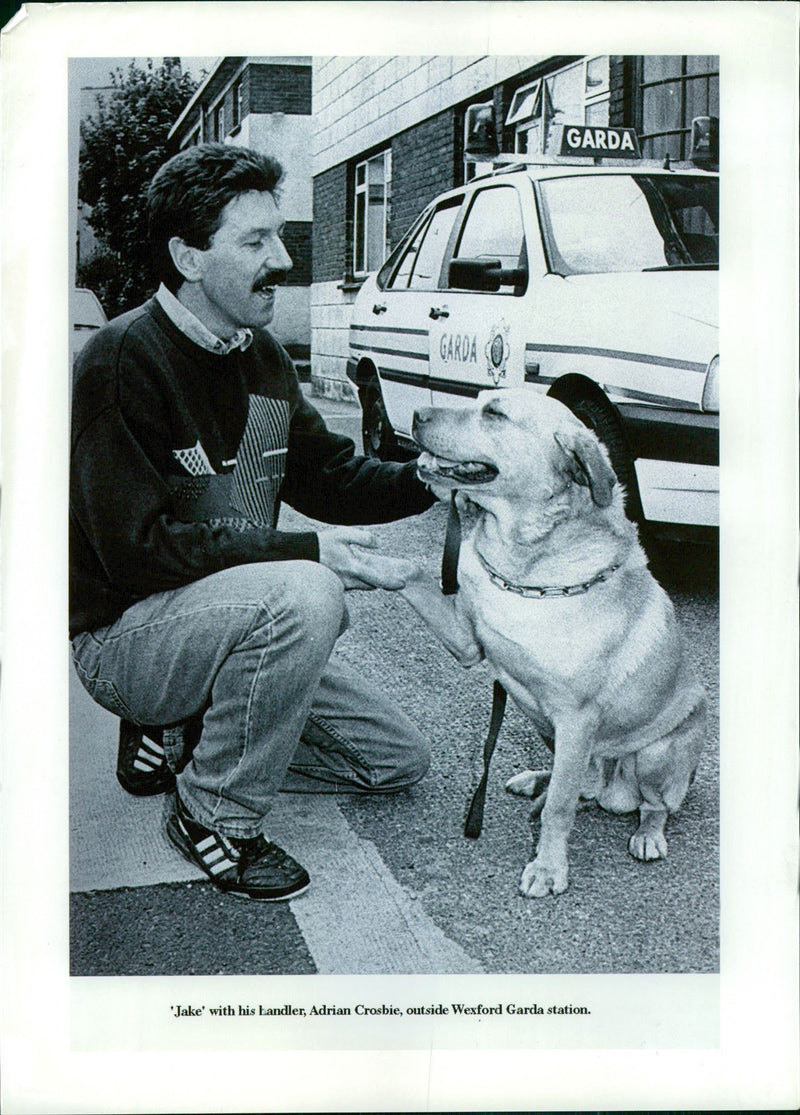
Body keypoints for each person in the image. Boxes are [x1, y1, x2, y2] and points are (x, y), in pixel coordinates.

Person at [70, 143, 435, 902]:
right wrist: (311, 552)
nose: (284, 258)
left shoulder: (260, 354)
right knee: (307, 592)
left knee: (396, 760)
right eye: (256, 240)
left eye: (280, 234)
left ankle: (184, 727)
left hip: (219, 615)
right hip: (124, 633)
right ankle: (214, 813)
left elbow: (328, 475)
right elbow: (138, 553)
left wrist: (433, 479)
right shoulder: (119, 362)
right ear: (188, 257)